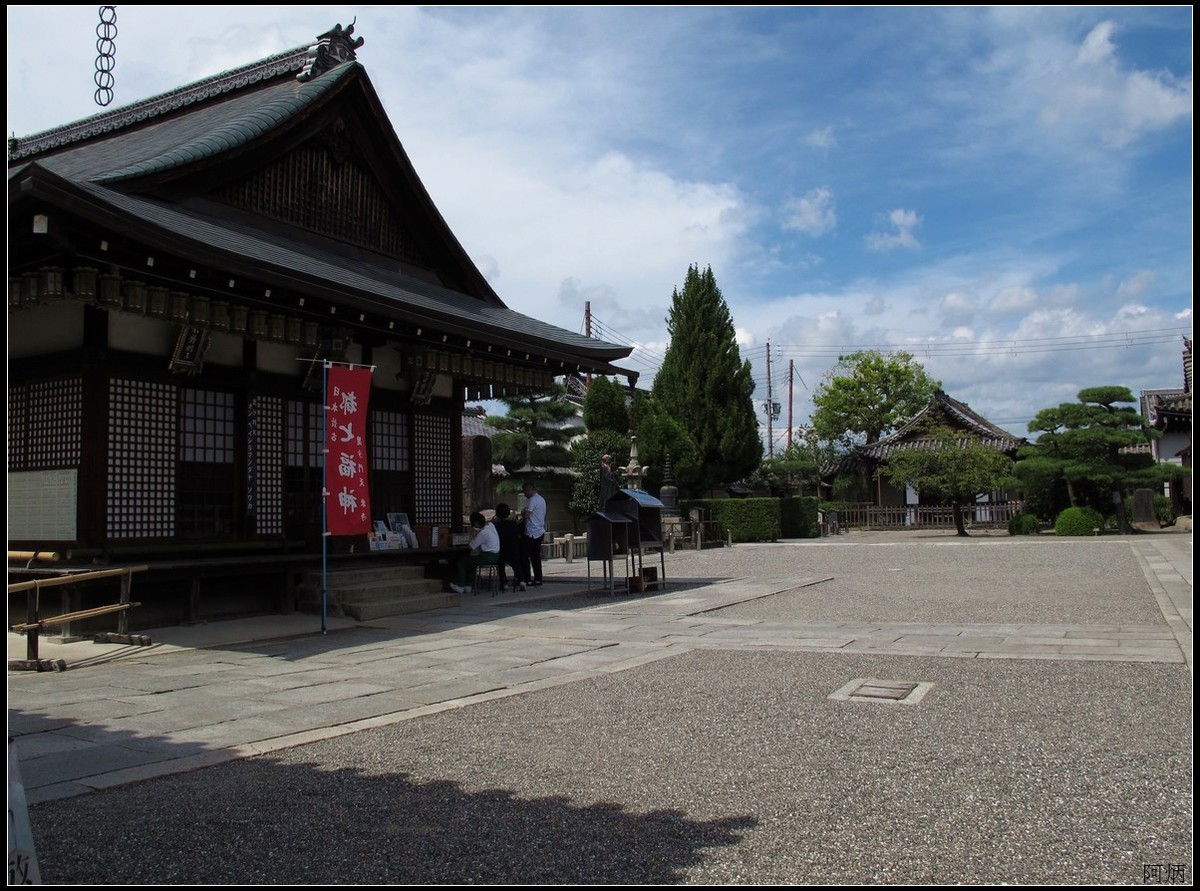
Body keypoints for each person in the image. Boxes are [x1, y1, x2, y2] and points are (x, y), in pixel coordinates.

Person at [450, 511, 499, 594]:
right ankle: (468, 585)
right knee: (472, 564)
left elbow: (472, 546)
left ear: (476, 523)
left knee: (462, 562)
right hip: (495, 556)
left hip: (486, 557)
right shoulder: (491, 526)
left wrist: (474, 534)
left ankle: (460, 585)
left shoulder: (483, 533)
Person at [492, 503, 526, 592]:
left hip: (502, 548)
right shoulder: (513, 524)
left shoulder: (496, 525)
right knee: (516, 564)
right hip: (514, 548)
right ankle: (522, 580)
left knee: (500, 564)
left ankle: (504, 583)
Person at [520, 479, 547, 587]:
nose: (525, 494)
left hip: (532, 532)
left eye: (525, 491)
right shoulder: (541, 499)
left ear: (530, 490)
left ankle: (527, 578)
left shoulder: (532, 500)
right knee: (536, 556)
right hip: (540, 530)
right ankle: (538, 578)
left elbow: (527, 515)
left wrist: (523, 513)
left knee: (525, 556)